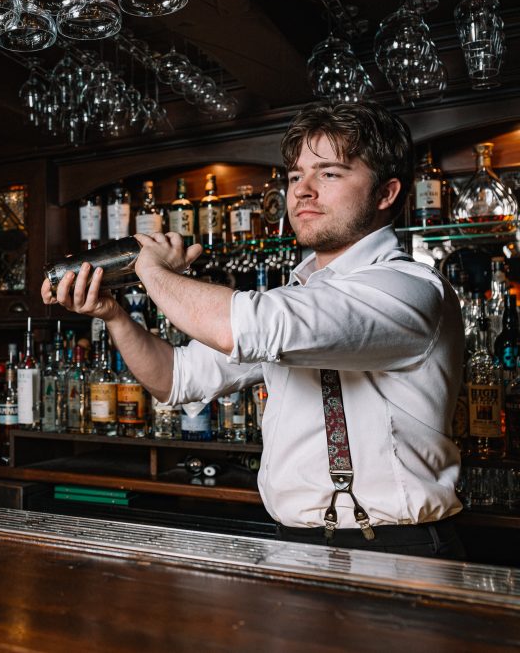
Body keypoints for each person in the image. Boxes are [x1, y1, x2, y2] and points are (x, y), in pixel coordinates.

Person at [44, 102, 466, 559]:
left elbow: (243, 326)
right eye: (294, 176)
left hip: (397, 550)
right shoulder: (298, 294)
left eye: (329, 174)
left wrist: (152, 268)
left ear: (385, 193)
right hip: (295, 546)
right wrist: (114, 315)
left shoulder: (409, 289)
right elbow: (175, 377)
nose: (302, 191)